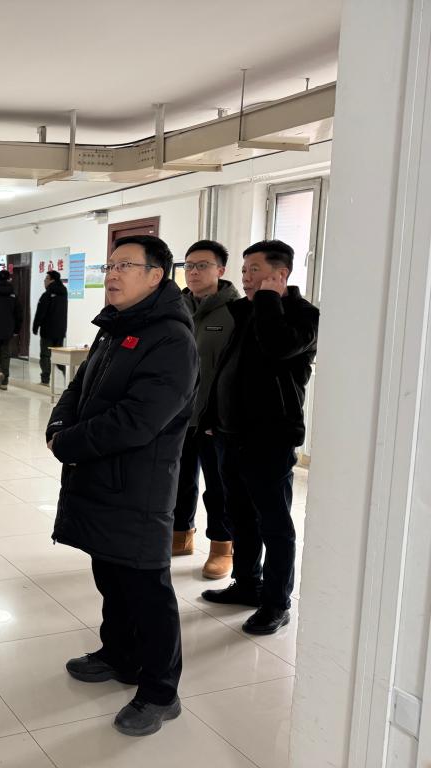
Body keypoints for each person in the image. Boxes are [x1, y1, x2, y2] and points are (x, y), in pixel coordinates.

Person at [47, 235, 198, 737]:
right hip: (100, 478)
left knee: (147, 590)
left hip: (140, 487)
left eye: (125, 265)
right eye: (109, 266)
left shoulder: (171, 339)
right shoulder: (115, 326)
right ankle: (120, 656)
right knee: (110, 575)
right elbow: (78, 387)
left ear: (156, 275)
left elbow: (138, 420)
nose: (112, 274)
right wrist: (58, 425)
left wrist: (69, 443)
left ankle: (160, 692)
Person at [201, 239, 318, 636]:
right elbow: (228, 369)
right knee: (239, 516)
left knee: (274, 523)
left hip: (269, 438)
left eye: (254, 270)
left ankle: (276, 603)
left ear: (280, 274)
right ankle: (247, 584)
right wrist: (213, 417)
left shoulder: (304, 316)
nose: (246, 278)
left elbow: (278, 347)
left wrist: (269, 299)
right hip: (230, 435)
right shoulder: (247, 311)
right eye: (244, 270)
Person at [171, 241, 239, 579]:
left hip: (216, 418)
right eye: (189, 266)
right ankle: (180, 536)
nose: (194, 272)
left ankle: (221, 547)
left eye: (202, 265)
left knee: (218, 485)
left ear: (220, 270)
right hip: (179, 414)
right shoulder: (175, 308)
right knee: (179, 480)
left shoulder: (236, 311)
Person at [32, 269, 69, 386]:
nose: (44, 281)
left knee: (45, 355)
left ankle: (45, 380)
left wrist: (35, 327)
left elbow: (40, 312)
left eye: (46, 279)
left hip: (47, 331)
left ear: (51, 280)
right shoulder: (64, 293)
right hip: (60, 331)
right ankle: (69, 378)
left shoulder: (47, 294)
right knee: (59, 357)